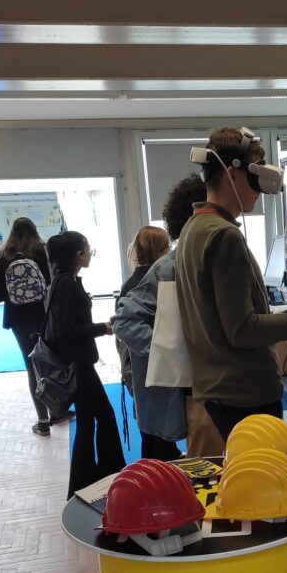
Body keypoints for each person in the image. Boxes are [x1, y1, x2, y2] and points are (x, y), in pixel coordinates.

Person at [175, 125, 287, 442]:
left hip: (220, 391)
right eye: (255, 179)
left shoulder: (194, 228)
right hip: (244, 396)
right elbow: (242, 330)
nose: (259, 191)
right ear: (233, 174)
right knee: (265, 486)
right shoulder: (224, 235)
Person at [112, 174, 224, 460]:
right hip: (194, 392)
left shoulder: (218, 255)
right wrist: (170, 350)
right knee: (204, 471)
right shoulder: (171, 266)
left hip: (221, 385)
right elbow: (125, 320)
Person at [46, 231, 126, 498]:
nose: (90, 253)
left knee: (97, 418)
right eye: (87, 249)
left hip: (79, 364)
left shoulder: (63, 281)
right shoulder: (66, 284)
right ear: (79, 255)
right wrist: (103, 328)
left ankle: (99, 477)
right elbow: (67, 331)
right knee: (94, 420)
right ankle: (92, 481)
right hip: (78, 365)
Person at [0, 216, 57, 435]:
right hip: (41, 315)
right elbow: (49, 284)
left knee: (31, 369)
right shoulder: (41, 252)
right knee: (48, 363)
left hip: (17, 320)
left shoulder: (5, 255)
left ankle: (43, 422)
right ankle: (58, 409)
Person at [115, 225, 170, 398]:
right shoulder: (157, 282)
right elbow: (124, 324)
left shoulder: (130, 282)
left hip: (136, 363)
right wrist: (166, 350)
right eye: (167, 247)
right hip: (152, 365)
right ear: (158, 250)